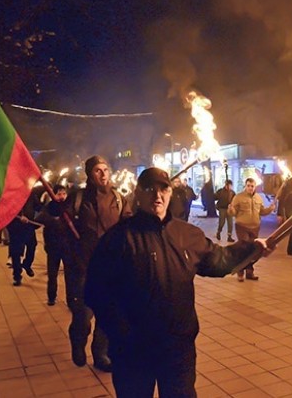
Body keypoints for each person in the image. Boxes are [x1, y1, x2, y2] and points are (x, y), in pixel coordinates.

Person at [84, 167, 271, 398]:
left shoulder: (186, 234)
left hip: (177, 348)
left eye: (164, 189)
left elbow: (219, 261)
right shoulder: (118, 238)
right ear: (138, 193)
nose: (157, 196)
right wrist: (122, 334)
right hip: (133, 351)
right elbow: (96, 291)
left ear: (171, 193)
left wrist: (253, 250)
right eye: (150, 189)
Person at [64, 155, 132, 372]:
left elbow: (129, 226)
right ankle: (78, 341)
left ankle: (101, 353)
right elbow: (61, 224)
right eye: (97, 170)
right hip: (83, 266)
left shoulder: (119, 199)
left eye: (105, 170)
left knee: (107, 315)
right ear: (89, 174)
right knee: (83, 315)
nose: (103, 175)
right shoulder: (78, 198)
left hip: (110, 268)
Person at [228, 177, 275, 281]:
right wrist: (231, 210)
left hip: (255, 227)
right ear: (245, 186)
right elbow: (233, 213)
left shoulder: (258, 198)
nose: (250, 188)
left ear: (255, 187)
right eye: (248, 186)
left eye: (252, 186)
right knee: (243, 248)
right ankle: (240, 271)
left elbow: (262, 211)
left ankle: (250, 271)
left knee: (254, 250)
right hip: (242, 226)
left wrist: (270, 209)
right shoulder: (238, 197)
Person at [35, 184, 71, 306]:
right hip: (53, 246)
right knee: (52, 273)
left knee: (70, 275)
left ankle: (70, 299)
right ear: (53, 195)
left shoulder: (69, 207)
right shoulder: (49, 208)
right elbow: (38, 220)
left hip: (67, 246)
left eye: (64, 193)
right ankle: (51, 297)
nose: (62, 196)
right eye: (59, 194)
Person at [6, 189, 41, 286]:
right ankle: (17, 276)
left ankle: (27, 264)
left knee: (32, 246)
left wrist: (38, 219)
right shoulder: (10, 194)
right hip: (15, 228)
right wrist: (19, 217)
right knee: (16, 252)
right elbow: (6, 210)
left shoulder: (30, 194)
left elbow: (38, 207)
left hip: (28, 227)